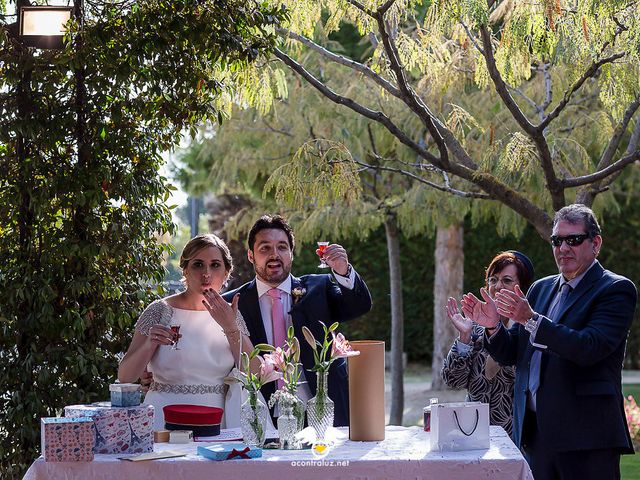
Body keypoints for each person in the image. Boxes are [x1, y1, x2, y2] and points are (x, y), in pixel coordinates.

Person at [461, 204, 636, 480]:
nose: (563, 248)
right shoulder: (541, 288)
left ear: (595, 243)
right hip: (536, 435)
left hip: (587, 439)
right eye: (557, 240)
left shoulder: (616, 289)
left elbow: (589, 348)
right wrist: (493, 326)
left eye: (574, 239)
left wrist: (531, 320)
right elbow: (513, 354)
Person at [222, 214, 373, 426]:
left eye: (282, 247)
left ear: (291, 254)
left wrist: (342, 270)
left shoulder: (319, 288)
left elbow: (359, 305)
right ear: (250, 255)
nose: (274, 254)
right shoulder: (232, 303)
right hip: (263, 416)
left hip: (322, 411)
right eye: (265, 248)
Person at [118, 234, 256, 430]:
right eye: (198, 265)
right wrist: (150, 344)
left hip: (215, 422)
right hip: (162, 419)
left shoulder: (231, 314)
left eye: (215, 265)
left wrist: (230, 328)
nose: (206, 273)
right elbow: (125, 377)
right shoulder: (159, 310)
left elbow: (254, 373)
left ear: (226, 272)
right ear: (185, 270)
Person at [441, 250, 535, 437]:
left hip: (520, 435)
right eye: (493, 280)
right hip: (473, 432)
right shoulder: (475, 326)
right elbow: (453, 381)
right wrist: (464, 338)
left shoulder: (532, 328)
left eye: (507, 280)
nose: (497, 286)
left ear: (522, 288)